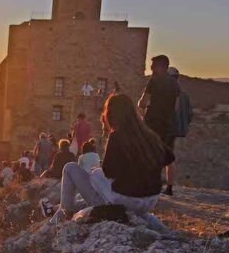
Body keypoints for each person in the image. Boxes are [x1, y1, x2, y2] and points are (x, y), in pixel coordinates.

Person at [50, 93, 174, 224]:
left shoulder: (117, 136)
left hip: (126, 201)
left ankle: (64, 214)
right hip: (149, 201)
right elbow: (169, 158)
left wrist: (96, 170)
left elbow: (109, 172)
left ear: (111, 114)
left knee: (78, 170)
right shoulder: (149, 135)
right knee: (105, 181)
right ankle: (144, 218)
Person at [138, 54, 180, 195]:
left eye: (153, 65)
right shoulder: (175, 84)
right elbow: (176, 107)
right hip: (168, 125)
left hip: (152, 122)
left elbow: (142, 102)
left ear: (160, 66)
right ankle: (166, 187)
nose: (151, 68)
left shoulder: (154, 81)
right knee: (165, 155)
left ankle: (146, 184)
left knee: (147, 152)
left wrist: (142, 109)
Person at [167, 66, 193, 196]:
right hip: (176, 130)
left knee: (159, 156)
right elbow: (189, 115)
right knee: (169, 158)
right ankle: (169, 187)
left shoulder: (168, 93)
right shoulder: (184, 95)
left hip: (166, 128)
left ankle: (157, 184)